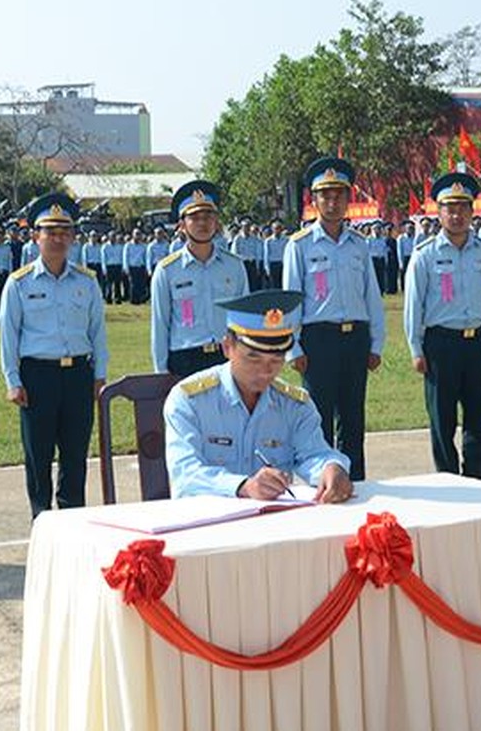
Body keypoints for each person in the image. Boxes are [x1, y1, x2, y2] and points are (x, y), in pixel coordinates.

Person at [164, 289, 353, 502]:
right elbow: (185, 473)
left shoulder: (295, 405)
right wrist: (243, 486)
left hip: (272, 525)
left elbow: (314, 453)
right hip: (206, 525)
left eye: (276, 360)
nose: (265, 371)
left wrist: (331, 468)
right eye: (253, 358)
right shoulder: (190, 400)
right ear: (227, 347)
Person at [0, 193, 107, 517]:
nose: (58, 238)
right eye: (50, 231)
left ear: (74, 237)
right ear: (35, 236)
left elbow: (97, 333)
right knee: (38, 455)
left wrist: (99, 376)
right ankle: (42, 520)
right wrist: (13, 380)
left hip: (77, 375)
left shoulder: (87, 282)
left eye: (65, 232)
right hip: (37, 376)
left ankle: (73, 519)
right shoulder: (18, 283)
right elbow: (9, 336)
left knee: (75, 455)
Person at [283, 156, 385, 481]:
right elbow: (291, 299)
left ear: (347, 199)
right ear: (314, 201)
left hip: (354, 338)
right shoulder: (299, 246)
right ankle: (322, 482)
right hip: (318, 340)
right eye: (325, 195)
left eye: (339, 194)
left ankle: (355, 483)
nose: (332, 201)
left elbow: (372, 296)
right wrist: (293, 348)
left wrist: (376, 343)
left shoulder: (359, 244)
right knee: (319, 419)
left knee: (353, 418)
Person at [404, 174, 481, 480]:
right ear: (439, 212)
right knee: (442, 419)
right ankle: (448, 479)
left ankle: (478, 479)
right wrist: (416, 349)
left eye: (463, 208)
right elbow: (413, 306)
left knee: (479, 418)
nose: (457, 215)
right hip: (441, 345)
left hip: (477, 343)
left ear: (472, 211)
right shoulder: (425, 255)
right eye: (450, 208)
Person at [151, 180, 249, 377]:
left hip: (226, 356)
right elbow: (160, 325)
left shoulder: (234, 265)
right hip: (185, 358)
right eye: (194, 217)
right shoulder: (167, 270)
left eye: (208, 216)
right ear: (181, 225)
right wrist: (161, 371)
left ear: (216, 221)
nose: (202, 223)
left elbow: (244, 318)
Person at [122, 227, 149, 304]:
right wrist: (126, 268)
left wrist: (146, 268)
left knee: (140, 284)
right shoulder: (128, 245)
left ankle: (140, 299)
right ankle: (133, 300)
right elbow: (125, 257)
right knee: (133, 284)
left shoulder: (143, 246)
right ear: (132, 235)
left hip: (141, 267)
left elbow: (145, 258)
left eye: (139, 234)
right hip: (132, 267)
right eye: (136, 234)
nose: (138, 236)